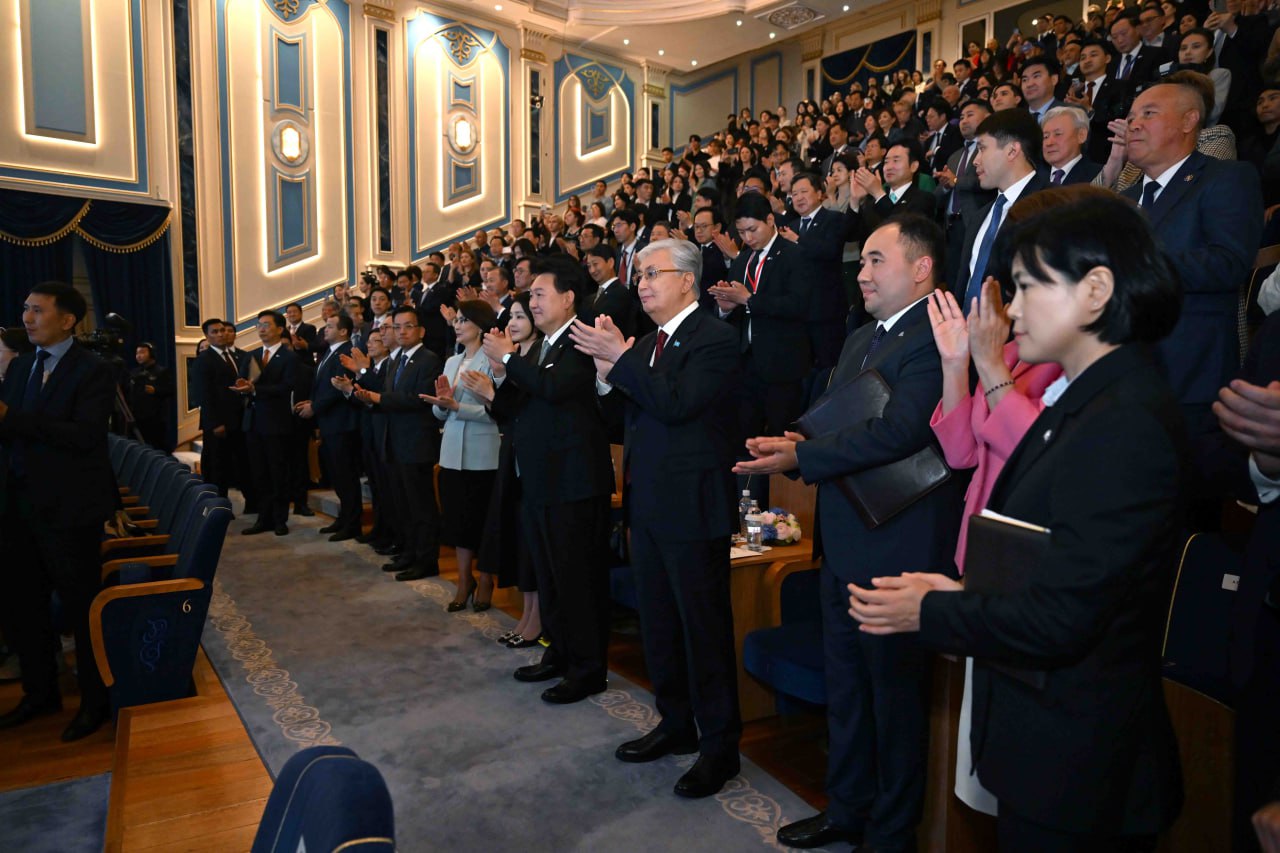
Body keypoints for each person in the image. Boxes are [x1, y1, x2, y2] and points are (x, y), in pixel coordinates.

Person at [848, 195, 1186, 850]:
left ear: (1095, 290)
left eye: (1028, 286)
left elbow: (1066, 615)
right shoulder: (1085, 399)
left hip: (1083, 756)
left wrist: (937, 609)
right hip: (1049, 736)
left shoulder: (1125, 418)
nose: (1010, 308)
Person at [737, 216, 964, 852]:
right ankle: (846, 809)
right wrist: (797, 439)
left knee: (892, 699)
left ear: (921, 268)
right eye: (861, 263)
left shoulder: (935, 335)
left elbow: (902, 429)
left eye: (874, 261)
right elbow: (840, 414)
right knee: (848, 689)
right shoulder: (864, 333)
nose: (860, 274)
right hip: (842, 536)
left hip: (898, 542)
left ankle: (891, 834)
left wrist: (800, 457)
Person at [572, 239, 744, 800]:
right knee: (661, 627)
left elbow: (676, 403)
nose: (641, 283)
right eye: (638, 273)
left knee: (703, 632)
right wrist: (606, 374)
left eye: (652, 273)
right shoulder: (645, 343)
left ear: (688, 281)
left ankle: (719, 749)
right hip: (645, 507)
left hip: (694, 511)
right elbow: (623, 420)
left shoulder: (716, 339)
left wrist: (619, 362)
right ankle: (675, 724)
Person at [483, 255, 614, 704]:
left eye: (539, 294)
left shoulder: (582, 340)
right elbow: (515, 407)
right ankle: (559, 652)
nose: (532, 302)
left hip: (575, 482)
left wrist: (508, 360)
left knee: (578, 579)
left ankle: (588, 668)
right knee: (552, 575)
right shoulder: (541, 347)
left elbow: (556, 389)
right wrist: (498, 382)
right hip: (542, 481)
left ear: (568, 297)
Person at [0, 282, 117, 742]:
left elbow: (83, 436)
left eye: (37, 311)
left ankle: (94, 701)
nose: (27, 318)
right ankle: (40, 692)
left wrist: (9, 418)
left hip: (70, 509)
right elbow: (13, 434)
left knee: (79, 607)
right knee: (24, 607)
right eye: (25, 309)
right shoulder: (22, 366)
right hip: (18, 506)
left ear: (67, 319)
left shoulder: (95, 370)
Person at [1118, 81, 1262, 439]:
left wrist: (1135, 260)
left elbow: (1228, 263)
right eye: (1132, 116)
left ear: (1188, 121)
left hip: (1188, 374)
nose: (1133, 124)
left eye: (1148, 114)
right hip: (1121, 374)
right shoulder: (1124, 198)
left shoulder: (1225, 178)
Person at [707, 191, 814, 442]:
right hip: (746, 364)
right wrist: (725, 307)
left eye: (752, 230)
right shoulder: (743, 259)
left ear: (769, 220)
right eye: (741, 232)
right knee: (744, 438)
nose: (747, 237)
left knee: (780, 440)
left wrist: (748, 300)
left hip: (783, 365)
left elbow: (799, 305)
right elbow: (735, 312)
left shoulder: (795, 254)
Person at [420, 300, 501, 612]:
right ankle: (463, 580)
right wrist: (442, 403)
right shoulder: (452, 362)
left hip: (483, 452)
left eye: (464, 319)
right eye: (455, 319)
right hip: (452, 452)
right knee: (457, 521)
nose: (456, 324)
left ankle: (485, 580)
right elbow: (442, 413)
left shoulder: (493, 360)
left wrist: (458, 407)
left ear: (480, 325)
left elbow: (497, 412)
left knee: (482, 521)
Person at [473, 292, 543, 648]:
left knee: (534, 545)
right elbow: (506, 413)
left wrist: (496, 385)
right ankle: (528, 614)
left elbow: (524, 408)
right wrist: (492, 389)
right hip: (513, 456)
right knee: (521, 542)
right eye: (511, 316)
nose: (512, 323)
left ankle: (537, 619)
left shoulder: (536, 356)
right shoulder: (519, 358)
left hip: (534, 460)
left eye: (520, 316)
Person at [354, 306, 443, 582]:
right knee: (402, 504)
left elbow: (420, 398)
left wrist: (379, 399)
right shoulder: (396, 359)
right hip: (392, 442)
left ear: (421, 331)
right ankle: (409, 553)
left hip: (415, 444)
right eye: (397, 327)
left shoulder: (429, 359)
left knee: (420, 506)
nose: (401, 331)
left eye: (407, 326)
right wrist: (369, 397)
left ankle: (426, 560)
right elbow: (388, 396)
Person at [958, 109, 1050, 312]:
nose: (975, 160)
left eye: (982, 149)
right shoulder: (981, 216)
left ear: (1011, 151)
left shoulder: (1049, 209)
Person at [294, 312, 361, 541]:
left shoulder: (347, 352)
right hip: (329, 422)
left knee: (346, 476)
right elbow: (320, 385)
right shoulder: (328, 352)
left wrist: (315, 407)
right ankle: (344, 518)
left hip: (343, 423)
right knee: (337, 476)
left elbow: (337, 389)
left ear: (343, 331)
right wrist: (312, 402)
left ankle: (352, 524)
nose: (325, 330)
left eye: (330, 326)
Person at [778, 171, 850, 368]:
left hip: (826, 310)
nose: (798, 197)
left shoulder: (834, 219)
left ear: (820, 193)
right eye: (794, 194)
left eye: (804, 191)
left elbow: (829, 251)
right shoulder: (790, 226)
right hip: (797, 312)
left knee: (830, 366)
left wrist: (798, 240)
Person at [236, 311, 299, 537]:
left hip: (276, 422)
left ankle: (280, 519)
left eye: (266, 325)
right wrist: (242, 386)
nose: (261, 329)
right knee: (259, 473)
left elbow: (287, 386)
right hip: (252, 422)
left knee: (278, 472)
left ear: (280, 329)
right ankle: (263, 518)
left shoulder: (289, 357)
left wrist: (256, 389)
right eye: (259, 325)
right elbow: (243, 381)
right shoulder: (251, 355)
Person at [193, 318, 249, 499]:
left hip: (237, 420)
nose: (220, 334)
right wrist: (215, 423)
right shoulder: (204, 359)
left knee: (237, 463)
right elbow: (203, 394)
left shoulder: (233, 356)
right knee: (218, 467)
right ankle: (219, 505)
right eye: (215, 332)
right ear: (207, 336)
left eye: (222, 330)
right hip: (218, 423)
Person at [128, 342, 174, 450]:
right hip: (136, 416)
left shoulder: (162, 371)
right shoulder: (134, 372)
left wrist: (156, 390)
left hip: (155, 418)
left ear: (152, 354)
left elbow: (170, 390)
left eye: (142, 352)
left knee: (156, 446)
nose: (138, 356)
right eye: (137, 353)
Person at [1041, 106, 1102, 184]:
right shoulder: (1035, 179)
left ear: (1081, 135)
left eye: (1058, 134)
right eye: (1045, 137)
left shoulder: (1098, 175)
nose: (1049, 143)